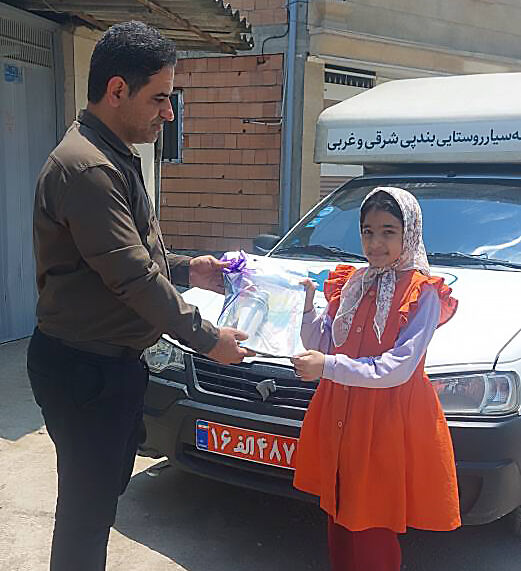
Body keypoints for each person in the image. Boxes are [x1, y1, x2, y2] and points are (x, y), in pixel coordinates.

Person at [27, 21, 251, 571]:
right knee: (85, 515)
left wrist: (188, 269)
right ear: (117, 90)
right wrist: (207, 339)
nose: (168, 113)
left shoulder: (112, 154)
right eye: (160, 98)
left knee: (96, 504)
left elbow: (125, 258)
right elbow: (130, 276)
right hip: (85, 370)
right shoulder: (87, 167)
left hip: (106, 366)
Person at [291, 187, 461, 571]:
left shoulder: (422, 292)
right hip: (341, 414)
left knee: (372, 523)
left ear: (409, 233)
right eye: (368, 231)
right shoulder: (353, 282)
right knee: (338, 514)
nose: (375, 243)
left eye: (388, 232)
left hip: (386, 421)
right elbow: (325, 342)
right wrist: (305, 308)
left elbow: (397, 368)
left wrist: (328, 367)